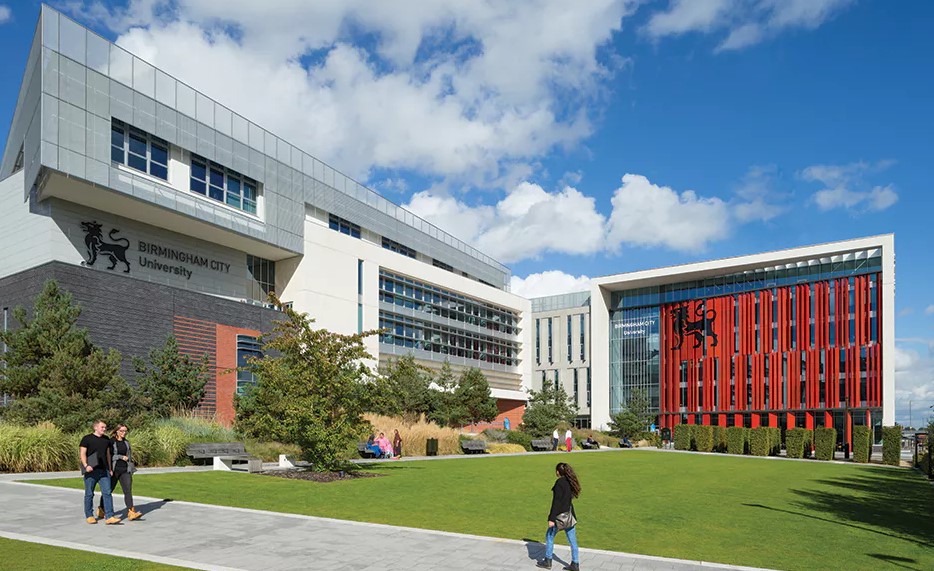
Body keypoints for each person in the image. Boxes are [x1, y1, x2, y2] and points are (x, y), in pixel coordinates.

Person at [536, 462, 581, 570]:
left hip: (559, 517)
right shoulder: (570, 482)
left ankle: (548, 560)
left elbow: (556, 503)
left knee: (549, 536)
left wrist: (551, 519)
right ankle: (575, 563)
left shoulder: (559, 483)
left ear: (558, 471)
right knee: (573, 540)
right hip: (569, 516)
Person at [79, 420, 120, 525]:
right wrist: (85, 465)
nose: (104, 429)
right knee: (89, 494)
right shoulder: (86, 439)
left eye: (105, 427)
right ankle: (89, 515)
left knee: (107, 493)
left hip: (104, 471)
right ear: (95, 427)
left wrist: (110, 469)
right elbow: (82, 453)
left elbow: (108, 455)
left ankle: (109, 516)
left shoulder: (106, 440)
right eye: (102, 427)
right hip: (91, 471)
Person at [98, 424, 141, 521]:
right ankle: (101, 508)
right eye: (121, 431)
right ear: (116, 431)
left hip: (125, 470)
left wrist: (131, 467)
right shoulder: (111, 442)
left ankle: (131, 512)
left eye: (125, 431)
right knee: (108, 491)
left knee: (128, 491)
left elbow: (129, 456)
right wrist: (120, 457)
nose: (124, 433)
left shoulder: (126, 442)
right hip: (114, 470)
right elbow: (108, 456)